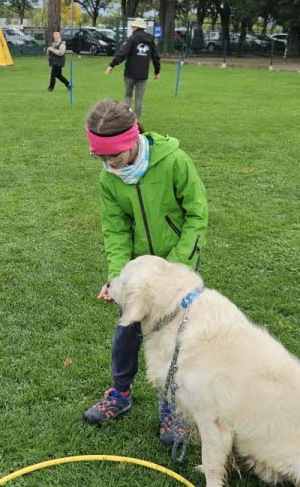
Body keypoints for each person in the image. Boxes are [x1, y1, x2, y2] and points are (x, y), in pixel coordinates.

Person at [81, 98, 209, 448]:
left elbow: (197, 215)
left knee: (173, 340)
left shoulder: (175, 162)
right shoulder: (109, 179)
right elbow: (116, 229)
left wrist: (175, 268)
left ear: (131, 140)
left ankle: (172, 408)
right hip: (138, 269)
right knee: (127, 330)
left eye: (114, 156)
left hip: (178, 268)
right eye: (100, 157)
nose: (108, 163)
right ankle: (120, 394)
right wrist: (118, 277)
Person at [105, 20, 160, 118]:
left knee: (128, 95)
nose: (131, 28)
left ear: (136, 27)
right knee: (139, 98)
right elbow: (155, 56)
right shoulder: (151, 39)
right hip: (143, 74)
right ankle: (137, 120)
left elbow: (123, 53)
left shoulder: (132, 38)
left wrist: (112, 65)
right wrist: (157, 71)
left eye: (132, 26)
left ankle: (126, 118)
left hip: (130, 73)